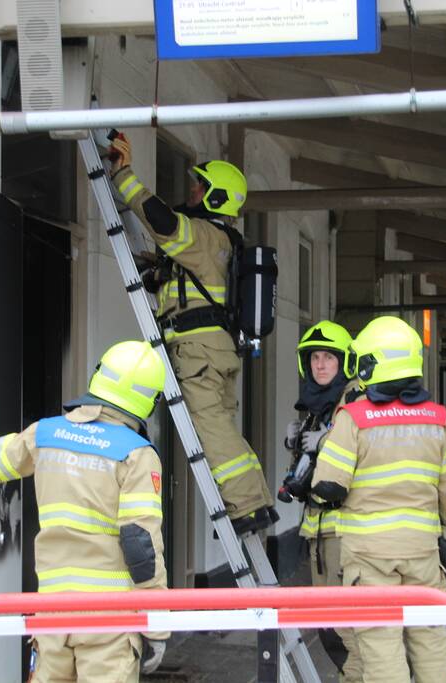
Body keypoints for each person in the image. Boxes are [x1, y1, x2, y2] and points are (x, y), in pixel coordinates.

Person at [0, 341, 169, 681]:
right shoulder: (136, 455)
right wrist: (157, 628)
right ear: (151, 400)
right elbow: (140, 546)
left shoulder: (46, 434)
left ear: (99, 375)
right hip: (110, 620)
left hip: (53, 614)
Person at [108, 135, 276, 534]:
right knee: (222, 428)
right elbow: (191, 285)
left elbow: (163, 222)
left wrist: (123, 176)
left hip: (199, 350)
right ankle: (251, 501)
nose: (193, 191)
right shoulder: (225, 243)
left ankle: (249, 504)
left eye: (200, 186)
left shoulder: (203, 235)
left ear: (215, 198)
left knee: (212, 429)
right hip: (217, 350)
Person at [309, 316, 446, 683]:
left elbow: (327, 488)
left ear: (369, 364)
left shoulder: (354, 418)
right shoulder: (436, 419)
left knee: (381, 647)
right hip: (423, 554)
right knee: (431, 641)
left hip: (369, 558)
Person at [279, 320, 362, 681]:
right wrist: (296, 447)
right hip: (319, 532)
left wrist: (325, 443)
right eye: (314, 357)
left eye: (329, 357)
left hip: (346, 535)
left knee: (349, 630)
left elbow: (358, 461)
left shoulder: (356, 403)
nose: (321, 364)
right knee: (329, 627)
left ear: (344, 362)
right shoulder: (317, 408)